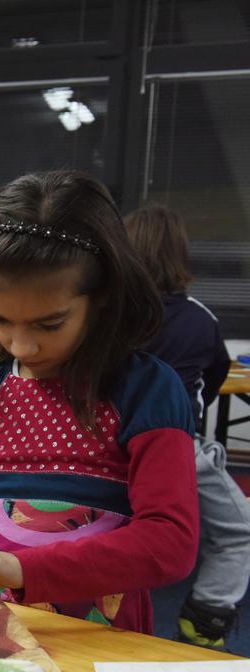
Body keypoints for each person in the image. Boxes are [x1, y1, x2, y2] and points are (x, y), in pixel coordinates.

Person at [0, 171, 199, 636]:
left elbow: (170, 541)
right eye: (0, 320)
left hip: (96, 639)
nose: (22, 346)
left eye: (49, 324)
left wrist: (20, 570)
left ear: (103, 297)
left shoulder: (145, 390)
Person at [126, 204, 250, 647]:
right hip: (177, 451)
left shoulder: (105, 315)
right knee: (240, 534)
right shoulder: (201, 318)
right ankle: (205, 619)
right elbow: (213, 381)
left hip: (102, 448)